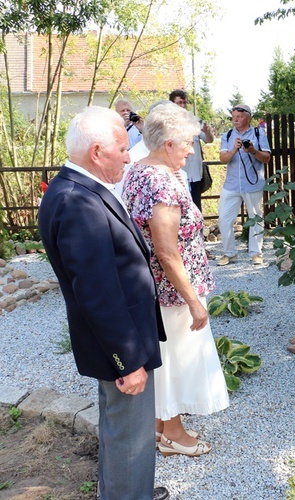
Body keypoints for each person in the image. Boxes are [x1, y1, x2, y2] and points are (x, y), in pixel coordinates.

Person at [38, 106, 168, 500]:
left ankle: (123, 492)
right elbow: (97, 293)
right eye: (122, 148)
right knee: (130, 433)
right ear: (97, 152)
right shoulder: (77, 201)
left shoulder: (78, 190)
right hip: (120, 346)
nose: (129, 155)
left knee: (122, 429)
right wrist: (127, 362)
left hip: (120, 339)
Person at [122, 102, 229, 458]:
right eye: (187, 143)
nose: (191, 150)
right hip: (173, 292)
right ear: (168, 143)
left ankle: (160, 428)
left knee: (166, 359)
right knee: (178, 362)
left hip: (154, 289)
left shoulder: (139, 171)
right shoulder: (160, 184)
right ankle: (175, 436)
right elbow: (167, 253)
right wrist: (194, 301)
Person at [216, 104, 271, 266]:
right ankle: (229, 253)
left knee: (255, 219)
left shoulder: (258, 133)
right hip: (231, 184)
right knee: (224, 219)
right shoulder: (227, 135)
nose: (235, 120)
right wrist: (234, 149)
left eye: (239, 117)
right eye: (233, 117)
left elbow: (266, 158)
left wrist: (253, 151)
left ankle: (256, 253)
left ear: (248, 117)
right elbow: (223, 159)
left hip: (252, 184)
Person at [169, 89, 214, 210]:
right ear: (172, 104)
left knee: (196, 208)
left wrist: (207, 132)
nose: (182, 106)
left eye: (184, 102)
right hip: (176, 173)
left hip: (194, 174)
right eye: (179, 103)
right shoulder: (167, 123)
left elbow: (209, 140)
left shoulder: (194, 120)